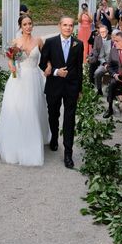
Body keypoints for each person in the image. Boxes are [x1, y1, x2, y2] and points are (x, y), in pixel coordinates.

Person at [0, 15, 50, 166]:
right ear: (20, 26)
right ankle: (17, 143)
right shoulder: (15, 41)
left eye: (30, 23)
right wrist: (11, 64)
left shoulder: (38, 41)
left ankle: (34, 141)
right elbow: (11, 58)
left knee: (34, 109)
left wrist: (49, 66)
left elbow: (46, 57)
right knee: (17, 110)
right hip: (18, 78)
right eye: (25, 24)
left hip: (34, 77)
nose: (28, 26)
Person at [39, 16, 84, 169]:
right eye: (65, 25)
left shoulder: (79, 44)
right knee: (53, 114)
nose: (68, 28)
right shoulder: (50, 42)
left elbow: (79, 68)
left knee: (69, 120)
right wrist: (56, 71)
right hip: (54, 85)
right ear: (59, 26)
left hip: (71, 87)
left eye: (70, 25)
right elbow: (42, 63)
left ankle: (68, 153)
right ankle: (53, 137)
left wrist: (79, 89)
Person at [88, 25, 111, 93]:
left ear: (107, 31)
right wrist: (94, 57)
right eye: (101, 32)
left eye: (104, 32)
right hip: (98, 57)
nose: (102, 33)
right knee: (92, 64)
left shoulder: (111, 38)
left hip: (107, 59)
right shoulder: (97, 38)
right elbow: (94, 49)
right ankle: (92, 85)